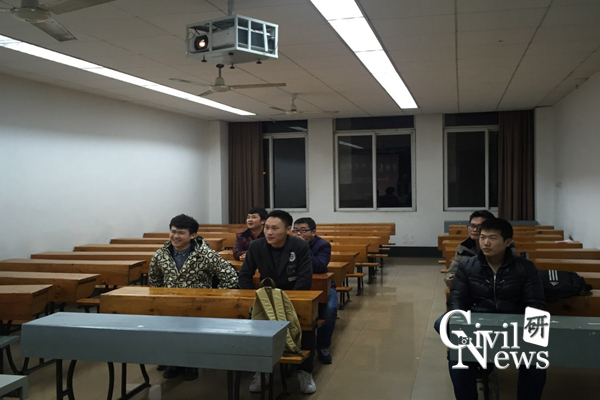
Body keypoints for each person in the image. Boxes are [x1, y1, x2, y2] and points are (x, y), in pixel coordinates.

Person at [444, 218, 547, 400]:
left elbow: (535, 303)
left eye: (492, 238)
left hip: (514, 327)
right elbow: (457, 298)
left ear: (507, 242)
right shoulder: (467, 266)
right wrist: (460, 323)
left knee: (536, 359)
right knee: (457, 356)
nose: (485, 243)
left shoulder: (525, 268)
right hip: (478, 326)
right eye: (482, 237)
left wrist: (533, 337)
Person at [149, 214, 238, 381]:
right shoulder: (160, 255)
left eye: (181, 233)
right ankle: (174, 362)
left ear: (192, 235)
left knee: (191, 334)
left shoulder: (205, 254)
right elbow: (155, 279)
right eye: (173, 231)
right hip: (170, 304)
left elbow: (230, 276)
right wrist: (160, 299)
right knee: (171, 333)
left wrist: (214, 299)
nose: (175, 236)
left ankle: (192, 363)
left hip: (198, 306)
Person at [238, 210, 316, 394]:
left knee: (305, 324)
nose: (269, 232)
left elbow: (304, 279)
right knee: (256, 327)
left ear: (288, 230)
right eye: (266, 228)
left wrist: (289, 302)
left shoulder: (299, 246)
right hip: (266, 296)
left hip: (295, 295)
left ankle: (305, 372)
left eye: (275, 228)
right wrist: (255, 298)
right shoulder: (256, 246)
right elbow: (245, 275)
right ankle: (261, 371)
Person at [293, 217, 336, 365]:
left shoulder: (323, 245)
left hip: (323, 286)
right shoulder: (289, 244)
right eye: (296, 231)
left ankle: (323, 347)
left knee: (329, 310)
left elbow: (319, 267)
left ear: (313, 232)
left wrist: (304, 247)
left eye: (303, 230)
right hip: (298, 285)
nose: (299, 234)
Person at [445, 210, 515, 287]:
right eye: (472, 226)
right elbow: (452, 271)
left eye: (479, 226)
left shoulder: (507, 249)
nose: (475, 230)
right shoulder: (464, 247)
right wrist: (450, 278)